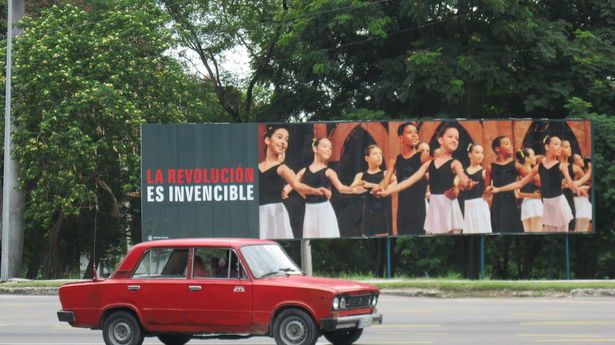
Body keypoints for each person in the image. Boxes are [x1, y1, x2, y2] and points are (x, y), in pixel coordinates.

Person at [376, 126, 475, 235]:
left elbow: (462, 178)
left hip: (444, 206)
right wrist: (386, 192)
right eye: (450, 137)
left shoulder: (453, 162)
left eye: (457, 138)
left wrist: (463, 185)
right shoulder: (428, 164)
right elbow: (407, 181)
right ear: (440, 139)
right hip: (428, 207)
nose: (454, 140)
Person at [487, 136, 588, 232]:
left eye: (560, 146)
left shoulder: (561, 166)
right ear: (547, 147)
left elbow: (570, 183)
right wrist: (498, 189)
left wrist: (578, 189)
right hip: (547, 205)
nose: (559, 148)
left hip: (559, 203)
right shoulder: (538, 167)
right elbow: (520, 183)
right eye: (556, 144)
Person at [258, 126, 328, 240]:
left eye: (286, 139)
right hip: (259, 214)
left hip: (276, 213)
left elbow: (297, 185)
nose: (283, 142)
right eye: (280, 137)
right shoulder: (256, 168)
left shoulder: (282, 168)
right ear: (267, 140)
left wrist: (315, 190)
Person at [293, 138, 366, 239]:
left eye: (330, 148)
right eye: (324, 146)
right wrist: (303, 194)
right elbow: (294, 184)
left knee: (327, 235)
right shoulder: (304, 171)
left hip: (324, 209)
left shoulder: (329, 171)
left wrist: (353, 190)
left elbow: (341, 188)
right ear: (315, 148)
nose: (328, 150)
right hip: (309, 210)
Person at [382, 123, 431, 235]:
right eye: (410, 132)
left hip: (419, 208)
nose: (414, 135)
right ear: (400, 137)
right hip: (402, 209)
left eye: (415, 132)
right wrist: (379, 189)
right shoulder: (395, 159)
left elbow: (439, 168)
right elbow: (385, 181)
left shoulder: (423, 156)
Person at [350, 145, 395, 236]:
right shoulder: (360, 175)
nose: (379, 156)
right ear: (367, 158)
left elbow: (390, 188)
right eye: (375, 154)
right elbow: (350, 189)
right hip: (365, 214)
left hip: (381, 213)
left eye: (380, 154)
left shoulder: (386, 174)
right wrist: (358, 185)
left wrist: (370, 185)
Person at [486, 136, 523, 233]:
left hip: (511, 203)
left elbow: (530, 178)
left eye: (510, 143)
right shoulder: (490, 167)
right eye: (507, 144)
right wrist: (488, 189)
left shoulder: (516, 165)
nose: (510, 146)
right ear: (497, 148)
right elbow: (486, 188)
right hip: (496, 205)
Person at [460, 143, 492, 234]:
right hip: (466, 205)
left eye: (482, 153)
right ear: (469, 154)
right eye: (477, 152)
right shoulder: (463, 172)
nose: (480, 155)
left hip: (480, 205)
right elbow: (455, 185)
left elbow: (488, 191)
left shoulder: (484, 172)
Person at [516, 148, 544, 232]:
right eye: (533, 155)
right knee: (536, 234)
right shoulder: (533, 175)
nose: (535, 157)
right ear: (527, 159)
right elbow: (539, 195)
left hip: (526, 204)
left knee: (528, 234)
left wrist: (522, 194)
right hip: (534, 205)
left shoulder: (520, 173)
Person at [572, 154, 592, 232]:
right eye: (579, 159)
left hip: (583, 203)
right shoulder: (576, 173)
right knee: (579, 228)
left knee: (582, 227)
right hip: (578, 203)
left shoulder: (581, 173)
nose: (582, 160)